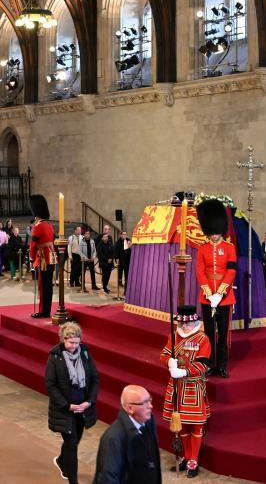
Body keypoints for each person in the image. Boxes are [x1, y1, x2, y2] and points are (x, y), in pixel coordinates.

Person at [46, 321, 99, 483]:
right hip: (64, 410)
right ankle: (73, 481)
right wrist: (67, 405)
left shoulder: (85, 353)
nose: (74, 346)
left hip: (82, 408)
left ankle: (62, 461)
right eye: (70, 342)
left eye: (77, 342)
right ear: (63, 340)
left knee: (74, 442)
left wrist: (89, 402)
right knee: (72, 444)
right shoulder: (55, 356)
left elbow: (95, 379)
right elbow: (50, 384)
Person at [160, 305, 210, 477]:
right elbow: (164, 354)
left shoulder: (203, 339)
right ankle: (186, 455)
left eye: (186, 323)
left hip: (192, 386)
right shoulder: (173, 336)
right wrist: (169, 362)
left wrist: (184, 371)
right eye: (180, 323)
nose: (183, 326)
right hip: (176, 386)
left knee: (196, 425)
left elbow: (203, 364)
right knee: (180, 425)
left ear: (194, 321)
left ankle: (193, 459)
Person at [195, 199, 235, 378]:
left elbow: (231, 270)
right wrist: (209, 294)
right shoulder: (202, 249)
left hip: (224, 298)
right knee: (209, 333)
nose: (213, 235)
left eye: (216, 232)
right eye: (211, 232)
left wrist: (220, 293)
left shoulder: (229, 248)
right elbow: (200, 271)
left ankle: (223, 365)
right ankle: (210, 364)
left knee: (223, 334)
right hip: (207, 297)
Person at [92, 385, 161, 484]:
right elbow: (108, 478)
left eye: (150, 400)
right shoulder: (113, 438)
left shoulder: (148, 421)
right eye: (144, 403)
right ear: (130, 408)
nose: (150, 406)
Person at [29, 195, 56, 318]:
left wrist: (31, 258)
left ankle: (43, 311)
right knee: (48, 286)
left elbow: (33, 244)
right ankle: (47, 310)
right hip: (50, 256)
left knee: (42, 286)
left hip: (43, 259)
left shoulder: (38, 226)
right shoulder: (49, 225)